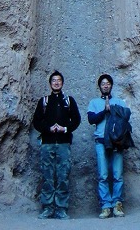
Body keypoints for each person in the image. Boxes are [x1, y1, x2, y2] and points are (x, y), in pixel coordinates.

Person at [32, 70, 81, 220]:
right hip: (47, 144)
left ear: (62, 83)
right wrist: (48, 129)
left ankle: (61, 208)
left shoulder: (69, 101)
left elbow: (77, 120)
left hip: (63, 144)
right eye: (54, 80)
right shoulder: (44, 101)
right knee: (47, 176)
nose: (56, 82)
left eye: (59, 80)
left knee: (63, 176)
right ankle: (47, 208)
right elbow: (36, 121)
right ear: (50, 83)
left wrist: (64, 129)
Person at [87, 73, 131, 218]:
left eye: (108, 83)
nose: (105, 86)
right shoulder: (94, 102)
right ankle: (105, 205)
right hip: (100, 141)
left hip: (116, 142)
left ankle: (117, 203)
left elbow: (126, 117)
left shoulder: (119, 102)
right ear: (99, 86)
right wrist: (104, 111)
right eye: (103, 83)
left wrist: (113, 109)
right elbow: (91, 119)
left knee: (118, 175)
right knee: (103, 175)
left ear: (111, 85)